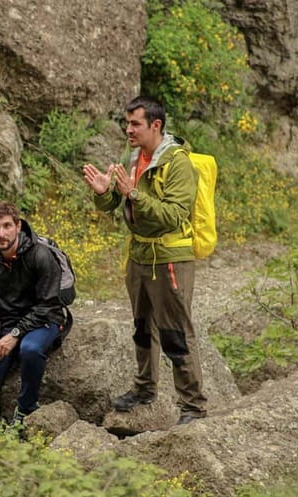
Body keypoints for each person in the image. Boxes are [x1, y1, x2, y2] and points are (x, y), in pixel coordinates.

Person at [82, 96, 207, 425]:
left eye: (135, 123)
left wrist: (135, 193)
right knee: (141, 328)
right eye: (127, 123)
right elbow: (114, 203)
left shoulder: (177, 162)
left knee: (176, 333)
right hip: (138, 255)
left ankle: (193, 407)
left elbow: (174, 214)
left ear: (156, 125)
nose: (128, 129)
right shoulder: (131, 155)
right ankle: (144, 389)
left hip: (170, 258)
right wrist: (103, 192)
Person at [0, 201, 64, 426]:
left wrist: (15, 334)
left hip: (44, 319)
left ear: (18, 226)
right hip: (6, 322)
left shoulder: (41, 255)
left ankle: (26, 408)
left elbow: (48, 304)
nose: (1, 233)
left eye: (7, 226)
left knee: (30, 349)